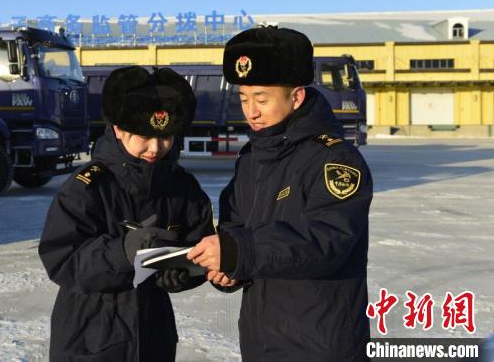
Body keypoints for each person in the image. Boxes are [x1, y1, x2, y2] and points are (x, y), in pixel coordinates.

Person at [188, 26, 373, 361]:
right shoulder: (251, 159)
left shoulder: (335, 159)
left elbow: (326, 240)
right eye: (243, 98)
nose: (251, 111)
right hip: (261, 340)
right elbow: (237, 231)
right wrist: (229, 268)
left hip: (320, 343)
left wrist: (239, 250)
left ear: (296, 97)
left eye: (262, 99)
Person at [39, 65, 215, 362]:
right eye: (143, 136)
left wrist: (184, 273)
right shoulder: (88, 186)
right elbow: (62, 259)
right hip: (90, 337)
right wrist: (123, 251)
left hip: (152, 336)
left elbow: (200, 244)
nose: (155, 148)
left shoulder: (182, 187)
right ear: (118, 129)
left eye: (166, 137)